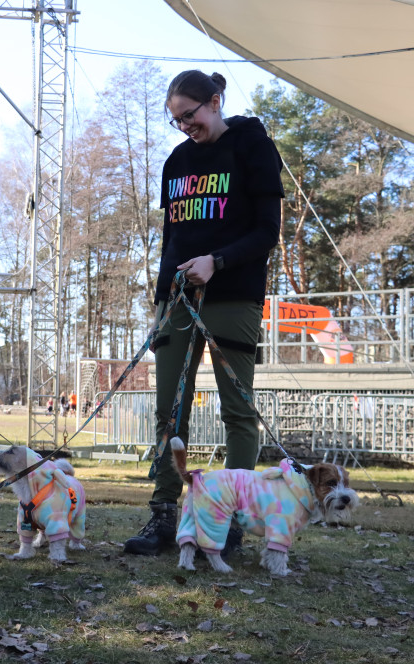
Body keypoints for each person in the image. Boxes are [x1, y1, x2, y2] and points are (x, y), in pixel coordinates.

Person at [123, 70, 284, 557]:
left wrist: (218, 261)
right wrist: (160, 305)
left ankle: (229, 519)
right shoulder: (177, 161)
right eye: (176, 120)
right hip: (177, 299)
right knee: (168, 408)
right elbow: (172, 241)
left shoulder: (253, 147)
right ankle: (164, 514)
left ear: (214, 101)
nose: (184, 127)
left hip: (233, 294)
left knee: (237, 410)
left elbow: (266, 233)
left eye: (189, 116)